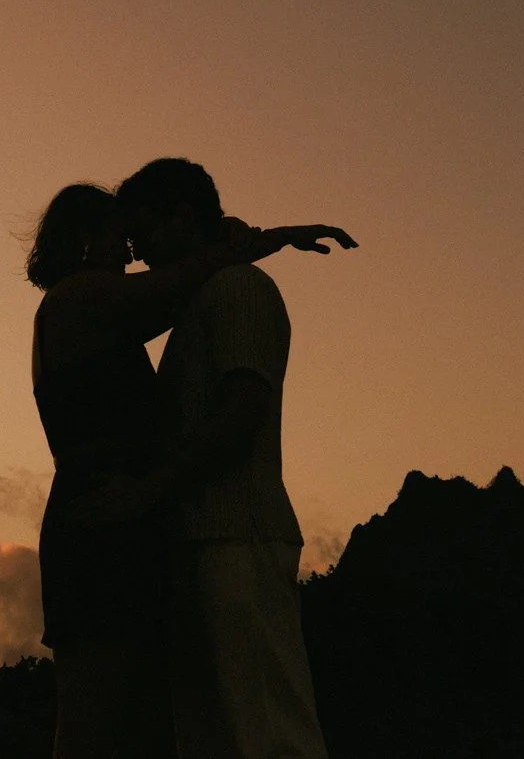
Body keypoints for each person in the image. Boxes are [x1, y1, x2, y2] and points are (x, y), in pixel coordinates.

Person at [26, 181, 352, 759]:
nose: (131, 252)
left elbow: (186, 286)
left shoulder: (104, 311)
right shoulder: (79, 299)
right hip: (103, 513)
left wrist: (236, 240)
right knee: (97, 714)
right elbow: (181, 282)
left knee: (140, 716)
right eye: (120, 237)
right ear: (85, 240)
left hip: (124, 514)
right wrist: (260, 240)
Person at [118, 158, 335, 758]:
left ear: (183, 218)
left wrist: (147, 492)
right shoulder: (204, 296)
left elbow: (243, 414)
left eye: (144, 233)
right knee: (221, 731)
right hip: (207, 540)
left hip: (238, 536)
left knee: (267, 727)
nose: (138, 252)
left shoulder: (237, 289)